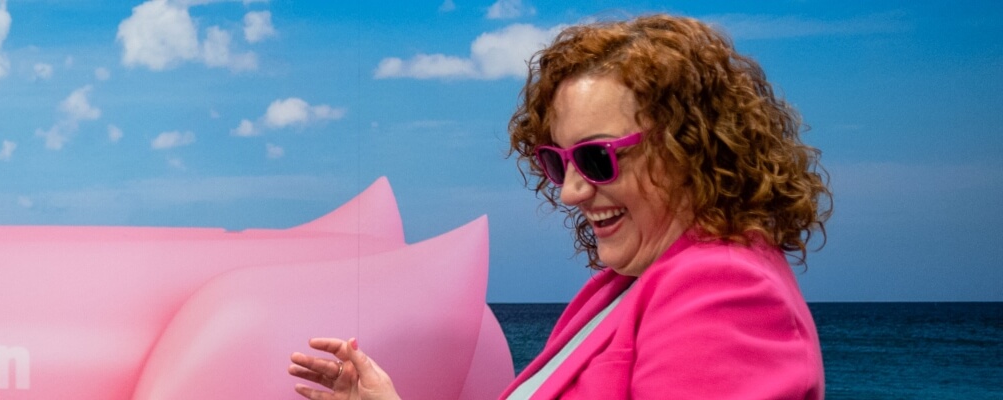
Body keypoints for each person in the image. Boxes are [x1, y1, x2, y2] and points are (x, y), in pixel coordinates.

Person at [289, 14, 830, 399]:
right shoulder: (624, 288)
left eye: (596, 158)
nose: (570, 191)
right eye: (557, 161)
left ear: (689, 149)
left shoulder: (725, 290)